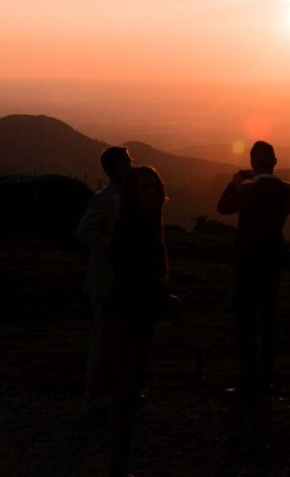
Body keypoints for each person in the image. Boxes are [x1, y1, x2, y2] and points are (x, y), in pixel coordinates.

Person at [216, 140, 290, 397]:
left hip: (248, 261)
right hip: (272, 259)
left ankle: (248, 377)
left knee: (246, 320)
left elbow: (223, 207)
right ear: (275, 161)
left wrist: (235, 182)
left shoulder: (248, 189)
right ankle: (267, 374)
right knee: (269, 318)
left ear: (252, 163)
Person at [106, 166, 170, 477]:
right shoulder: (133, 229)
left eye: (154, 187)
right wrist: (163, 297)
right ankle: (117, 468)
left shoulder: (144, 225)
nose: (152, 193)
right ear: (133, 194)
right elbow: (137, 275)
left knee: (130, 391)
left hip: (137, 316)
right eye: (144, 188)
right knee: (127, 393)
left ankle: (119, 465)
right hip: (130, 318)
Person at [75, 146, 134, 417]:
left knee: (122, 340)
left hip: (125, 280)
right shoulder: (103, 199)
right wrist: (115, 245)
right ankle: (94, 397)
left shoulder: (129, 198)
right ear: (113, 169)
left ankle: (117, 393)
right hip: (105, 281)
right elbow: (84, 232)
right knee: (102, 340)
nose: (131, 166)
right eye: (126, 162)